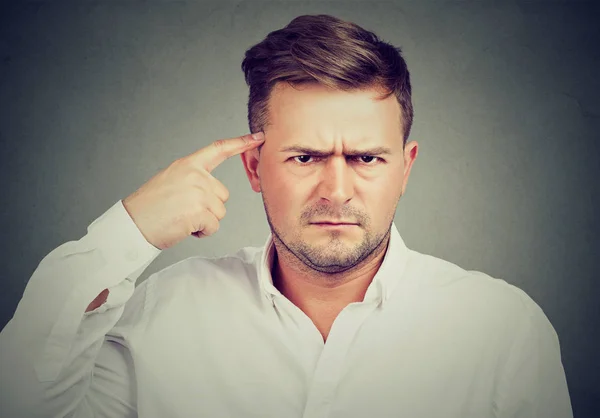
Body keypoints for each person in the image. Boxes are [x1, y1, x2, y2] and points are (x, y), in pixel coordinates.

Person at [0, 14, 572, 418]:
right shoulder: (159, 317)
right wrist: (126, 232)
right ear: (253, 168)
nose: (336, 189)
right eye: (304, 157)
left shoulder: (503, 333)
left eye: (367, 158)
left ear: (405, 167)